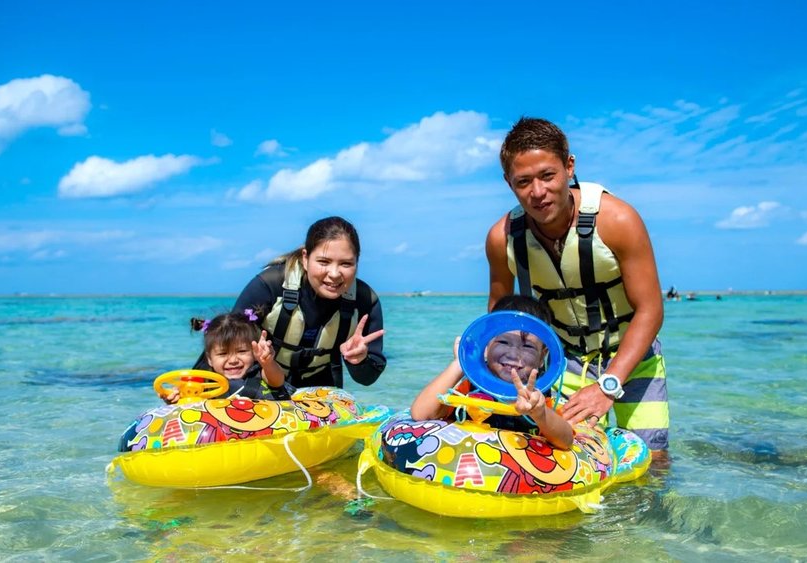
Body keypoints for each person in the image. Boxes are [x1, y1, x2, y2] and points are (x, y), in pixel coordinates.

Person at [485, 117, 670, 455]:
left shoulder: (617, 220)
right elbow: (498, 317)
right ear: (509, 183)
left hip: (634, 354)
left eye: (547, 175)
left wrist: (607, 386)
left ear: (569, 167)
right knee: (560, 456)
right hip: (563, 361)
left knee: (651, 461)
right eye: (523, 181)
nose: (537, 192)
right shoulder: (502, 239)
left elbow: (651, 309)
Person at [195, 216, 386, 389]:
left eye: (346, 264)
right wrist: (190, 389)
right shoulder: (270, 286)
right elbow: (223, 344)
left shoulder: (364, 302)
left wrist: (359, 360)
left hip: (320, 388)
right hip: (261, 384)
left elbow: (368, 378)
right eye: (323, 262)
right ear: (305, 258)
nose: (334, 274)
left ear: (357, 262)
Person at [409, 295, 573, 449]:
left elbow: (566, 441)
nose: (513, 354)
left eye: (528, 346)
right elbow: (420, 414)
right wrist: (459, 364)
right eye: (503, 341)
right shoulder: (471, 387)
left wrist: (540, 413)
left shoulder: (539, 395)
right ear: (485, 346)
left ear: (542, 356)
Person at [164, 309, 290, 403]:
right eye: (223, 354)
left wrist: (267, 363)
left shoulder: (261, 374)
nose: (233, 360)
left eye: (241, 351)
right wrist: (176, 397)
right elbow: (189, 402)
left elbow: (277, 380)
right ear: (209, 359)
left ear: (253, 352)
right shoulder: (205, 384)